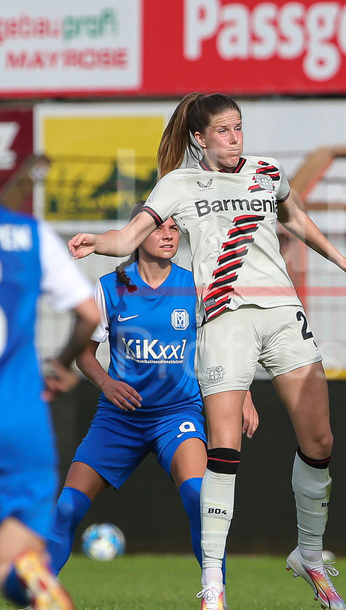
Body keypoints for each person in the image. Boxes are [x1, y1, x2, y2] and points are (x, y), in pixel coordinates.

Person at [67, 92, 346, 610]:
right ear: (199, 138)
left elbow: (297, 218)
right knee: (223, 451)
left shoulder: (267, 170)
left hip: (282, 312)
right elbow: (129, 234)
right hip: (224, 319)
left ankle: (309, 555)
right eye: (223, 129)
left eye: (238, 126)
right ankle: (214, 583)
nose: (235, 136)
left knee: (320, 440)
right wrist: (97, 242)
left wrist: (345, 262)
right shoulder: (177, 184)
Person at [46, 205, 259, 582]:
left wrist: (244, 395)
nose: (168, 235)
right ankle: (40, 598)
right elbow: (83, 352)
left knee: (200, 501)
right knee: (65, 510)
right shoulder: (111, 287)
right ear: (136, 233)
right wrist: (107, 384)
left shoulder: (194, 284)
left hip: (177, 416)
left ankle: (215, 595)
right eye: (159, 227)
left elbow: (225, 344)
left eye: (175, 229)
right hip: (119, 420)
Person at [0, 203, 100, 610]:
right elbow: (89, 313)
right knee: (16, 558)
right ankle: (27, 576)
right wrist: (60, 365)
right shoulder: (30, 234)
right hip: (21, 418)